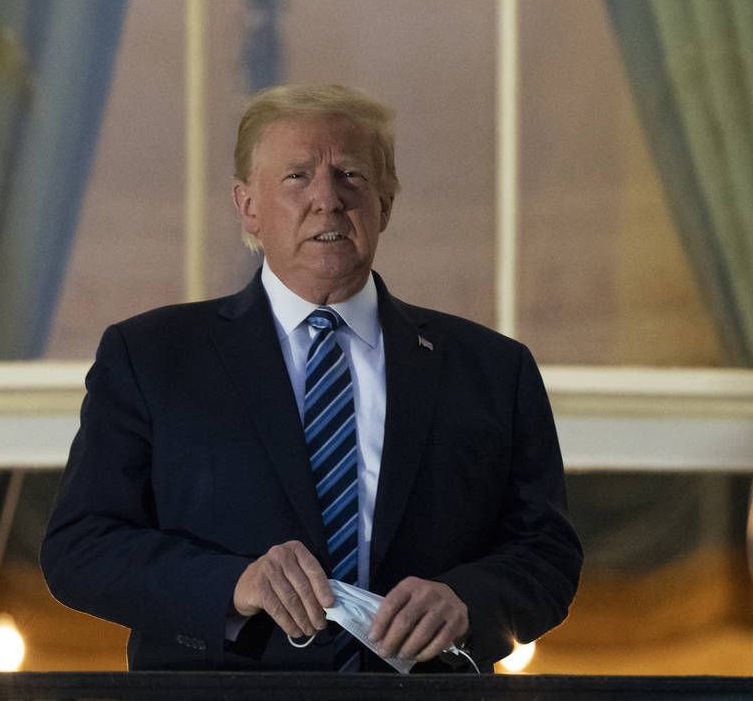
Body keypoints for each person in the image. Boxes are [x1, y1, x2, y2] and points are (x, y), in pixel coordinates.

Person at [41, 83, 582, 672]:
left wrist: (469, 604)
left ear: (386, 205)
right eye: (297, 177)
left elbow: (546, 553)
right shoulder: (151, 356)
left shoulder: (492, 370)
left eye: (351, 176)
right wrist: (233, 585)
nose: (327, 199)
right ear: (247, 206)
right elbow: (80, 547)